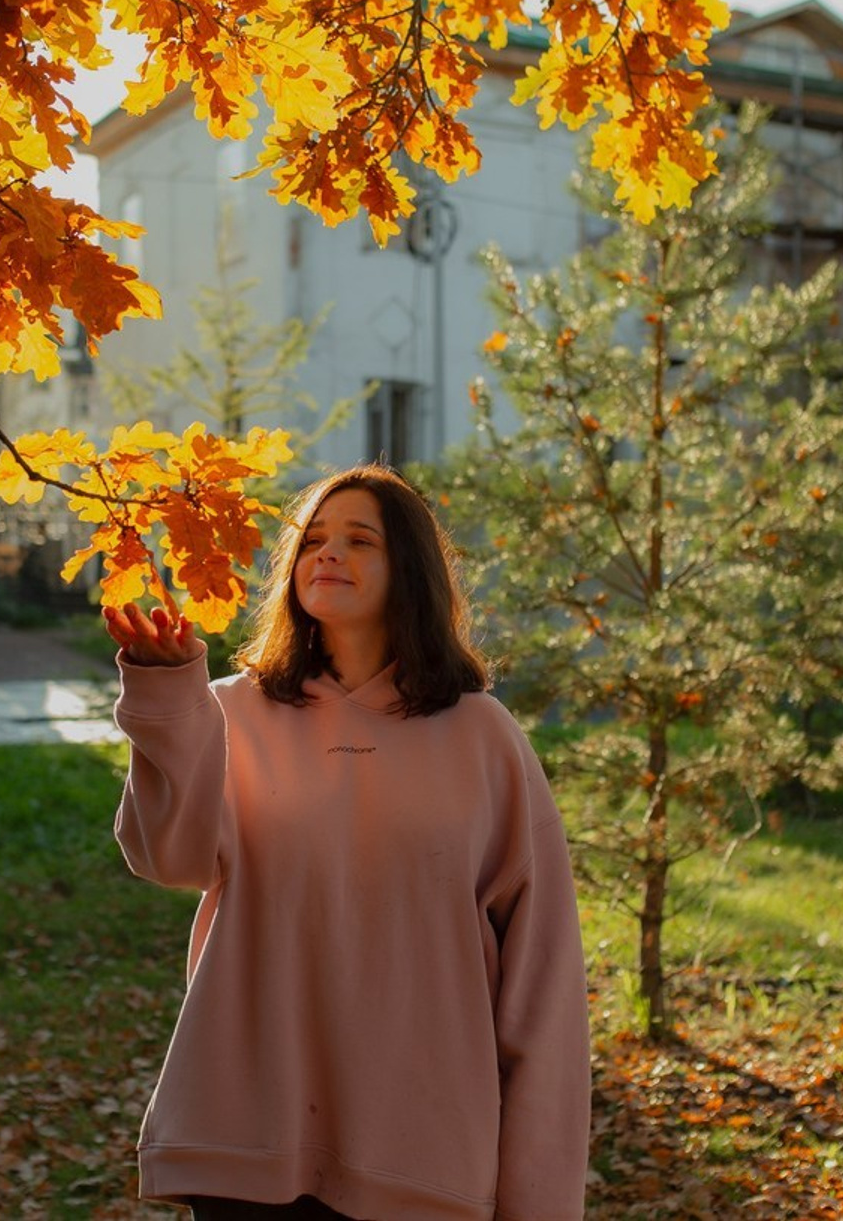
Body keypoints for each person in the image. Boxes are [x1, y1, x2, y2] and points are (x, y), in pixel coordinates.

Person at [104, 464, 590, 1221]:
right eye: (313, 540)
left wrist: (538, 1204)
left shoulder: (483, 737)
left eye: (359, 540)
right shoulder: (230, 714)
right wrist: (167, 699)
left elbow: (544, 991)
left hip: (420, 1156)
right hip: (246, 1142)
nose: (326, 554)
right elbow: (167, 859)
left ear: (411, 573)